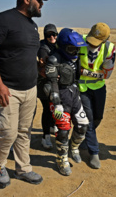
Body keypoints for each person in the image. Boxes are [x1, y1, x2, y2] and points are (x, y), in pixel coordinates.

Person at [0, 0, 49, 188]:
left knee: (24, 131)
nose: (41, 6)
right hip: (7, 89)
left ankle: (23, 169)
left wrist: (40, 68)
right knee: (7, 133)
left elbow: (24, 54)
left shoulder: (32, 25)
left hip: (30, 89)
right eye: (39, 1)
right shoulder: (3, 19)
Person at [44, 28, 89, 176]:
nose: (75, 52)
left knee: (83, 126)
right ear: (62, 46)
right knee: (63, 131)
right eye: (71, 48)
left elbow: (76, 77)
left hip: (74, 94)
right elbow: (52, 83)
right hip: (60, 98)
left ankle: (74, 148)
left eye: (76, 49)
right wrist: (56, 102)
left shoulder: (75, 59)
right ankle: (61, 159)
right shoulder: (54, 59)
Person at [78, 22, 116, 169]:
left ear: (106, 40)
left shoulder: (109, 49)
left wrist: (85, 72)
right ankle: (94, 152)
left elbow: (106, 74)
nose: (92, 45)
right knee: (88, 119)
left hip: (99, 88)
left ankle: (82, 139)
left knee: (97, 118)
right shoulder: (79, 41)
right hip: (82, 88)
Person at [37, 23, 58, 149]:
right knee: (47, 109)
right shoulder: (43, 47)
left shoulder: (57, 45)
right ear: (45, 36)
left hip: (54, 82)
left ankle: (51, 126)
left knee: (54, 107)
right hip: (43, 84)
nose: (52, 37)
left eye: (54, 34)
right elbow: (44, 64)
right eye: (49, 35)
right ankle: (45, 137)